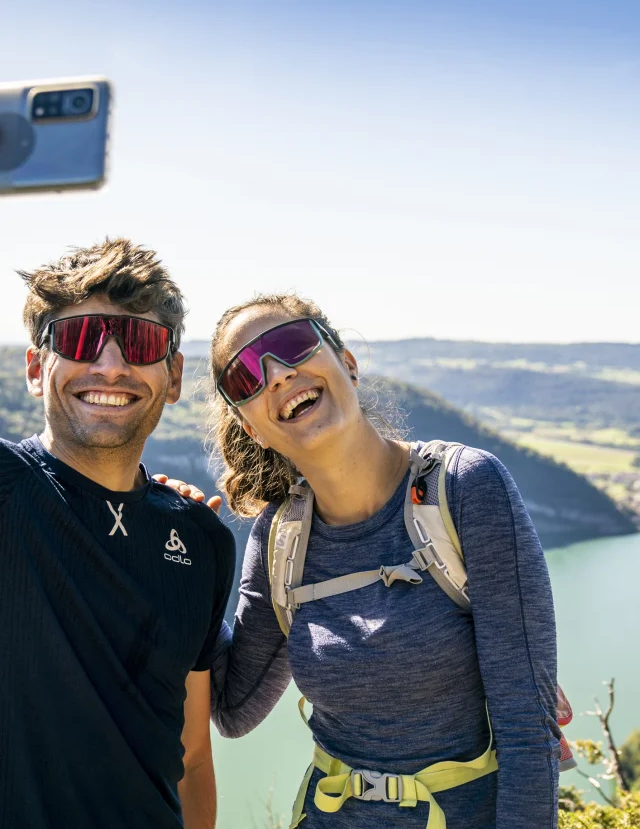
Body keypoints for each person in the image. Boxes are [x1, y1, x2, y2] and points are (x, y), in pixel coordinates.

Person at [167, 291, 561, 829]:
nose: (278, 374)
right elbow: (235, 709)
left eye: (293, 344)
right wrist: (182, 559)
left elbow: (528, 731)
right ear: (252, 427)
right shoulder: (280, 539)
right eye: (246, 377)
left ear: (347, 364)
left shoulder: (464, 488)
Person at [0, 238, 235, 829]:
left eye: (141, 342)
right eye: (80, 339)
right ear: (36, 369)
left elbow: (192, 757)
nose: (110, 365)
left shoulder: (201, 539)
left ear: (173, 376)